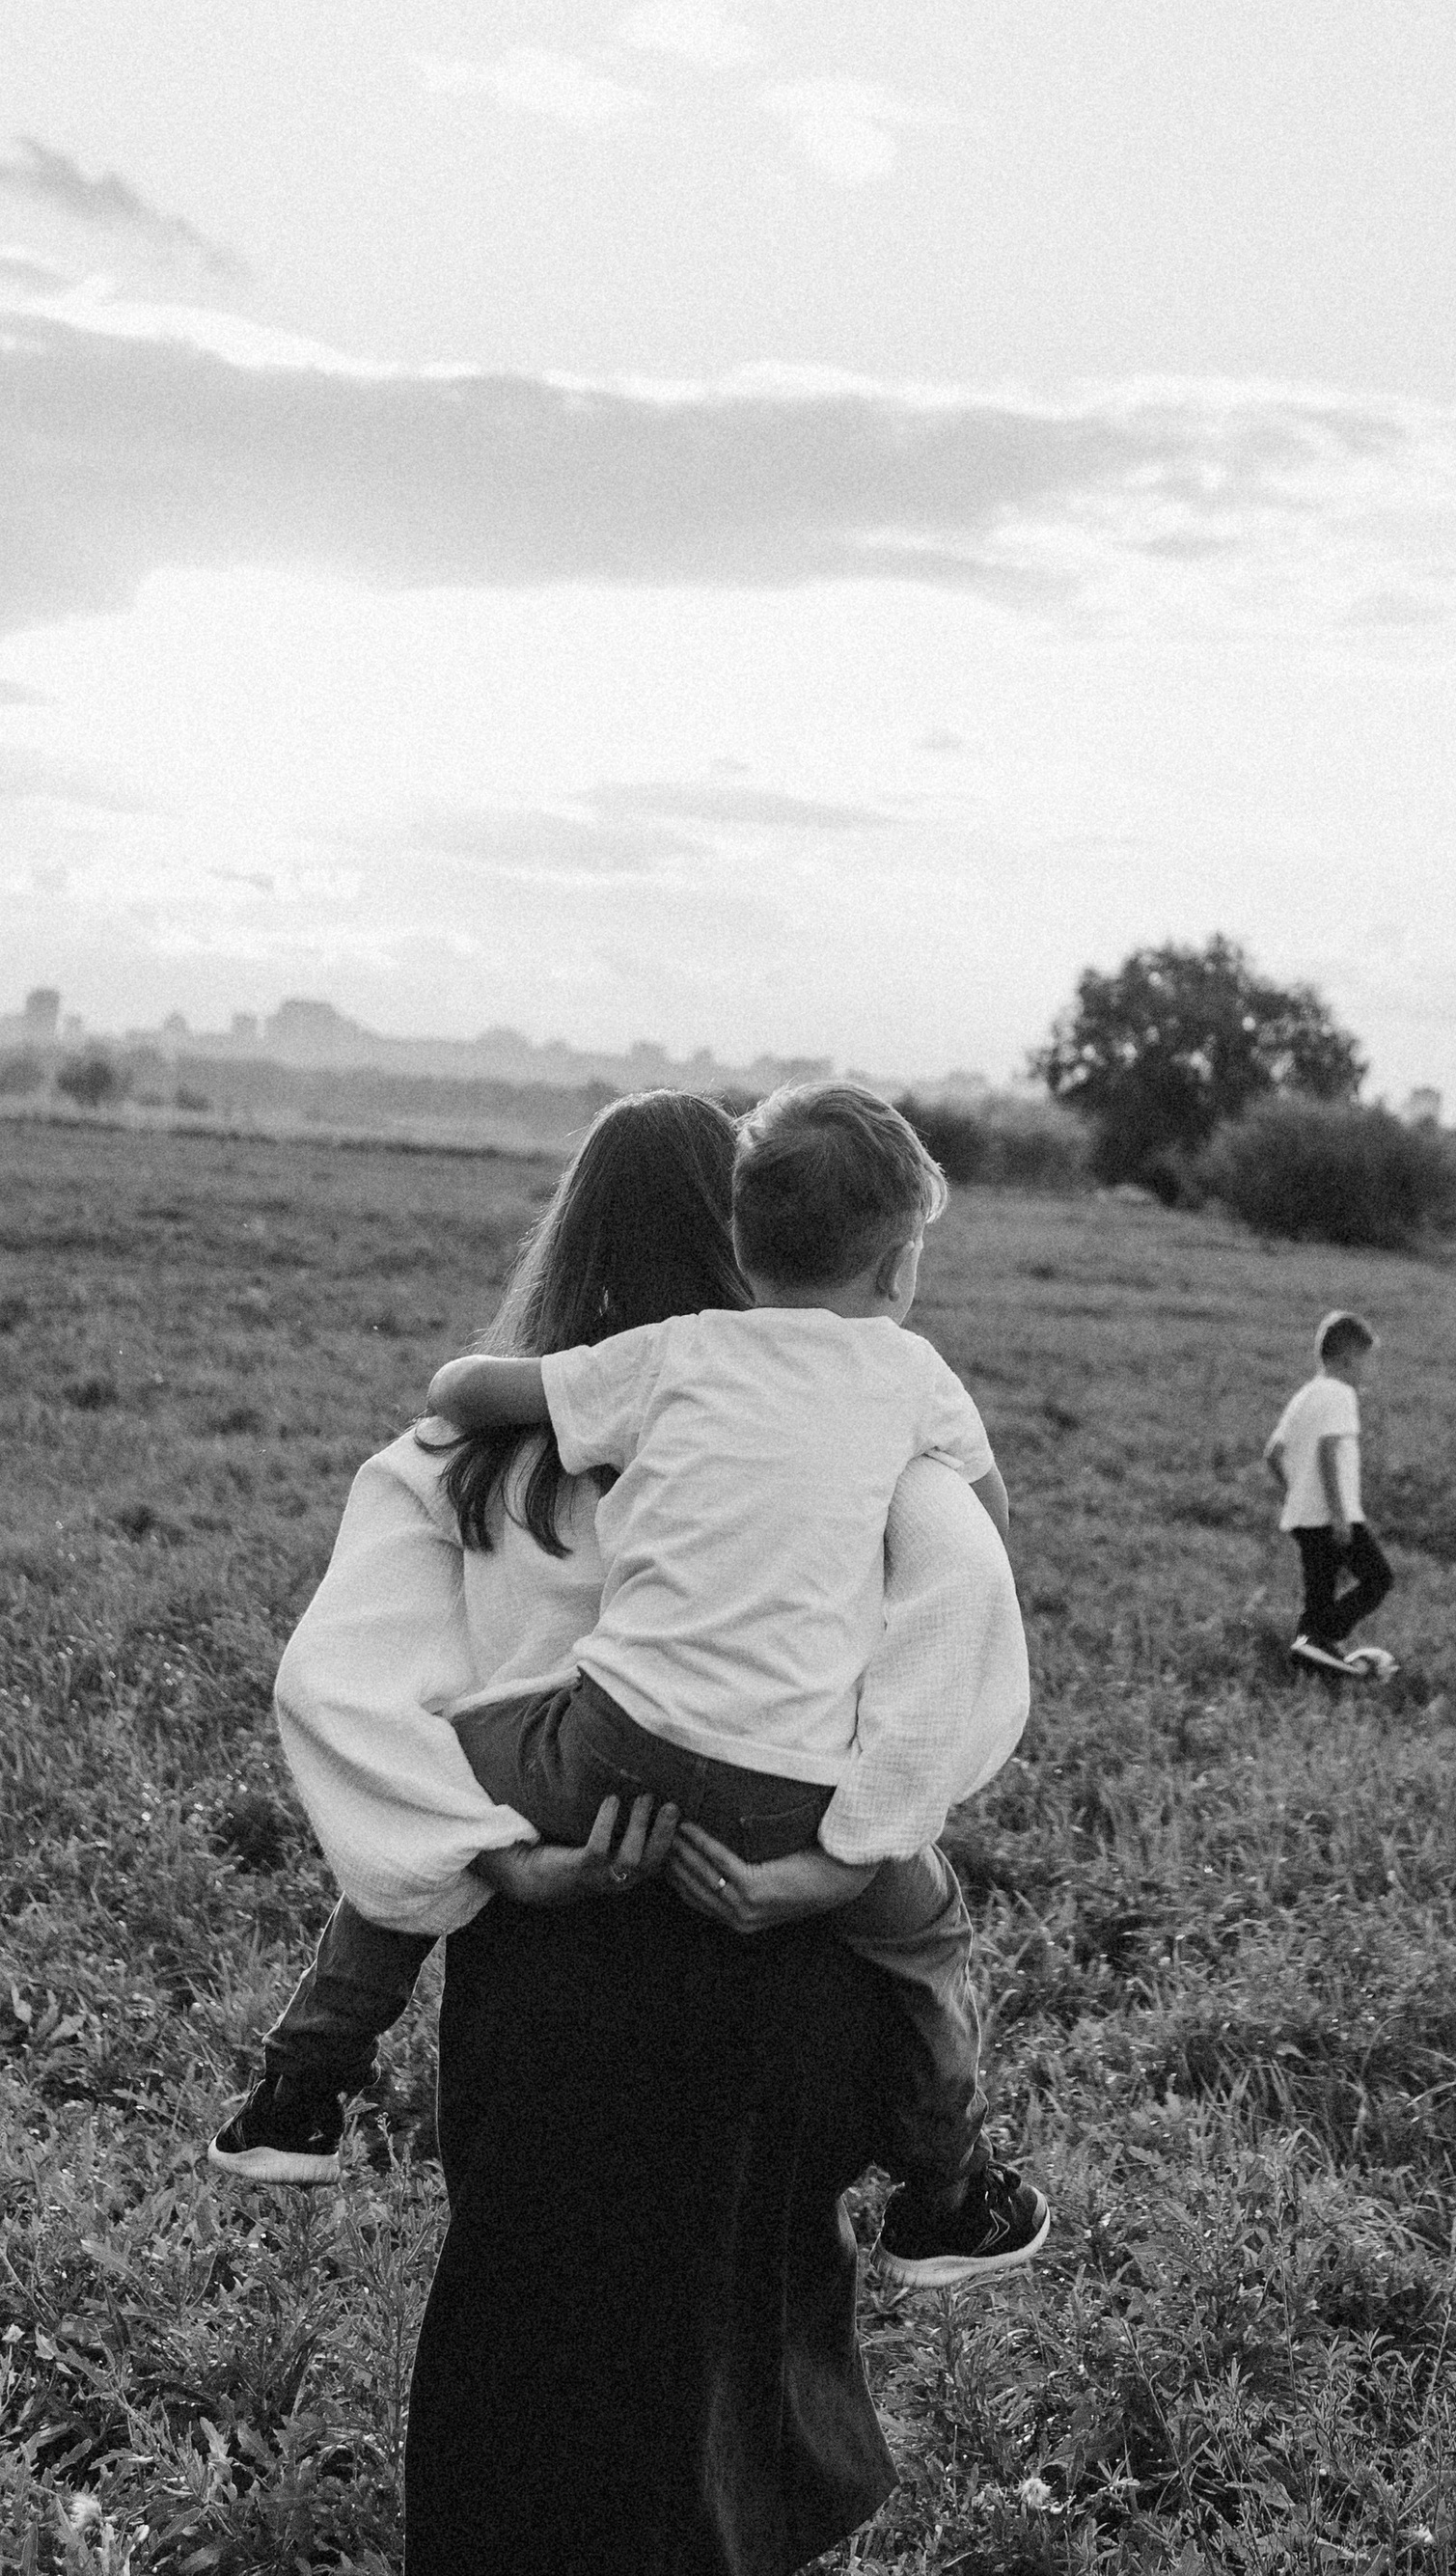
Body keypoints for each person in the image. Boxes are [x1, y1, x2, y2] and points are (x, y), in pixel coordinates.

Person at [225, 1090, 1037, 2572]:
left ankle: (302, 2092)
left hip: (556, 1970)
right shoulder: (868, 1451)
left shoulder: (463, 1463)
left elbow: (341, 1687)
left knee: (531, 2314)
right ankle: (941, 2194)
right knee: (750, 2319)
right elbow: (968, 1620)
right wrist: (851, 1856)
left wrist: (494, 1852)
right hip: (779, 1947)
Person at [1266, 1306, 1396, 1681]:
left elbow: (1272, 1455)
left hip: (1303, 1517)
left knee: (1319, 1594)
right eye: (1364, 1362)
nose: (1366, 1372)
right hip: (1331, 1516)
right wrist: (1339, 1515)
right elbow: (1327, 1453)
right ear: (1348, 1358)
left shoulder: (1305, 1394)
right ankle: (1321, 1640)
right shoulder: (1339, 1394)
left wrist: (1298, 1493)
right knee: (1378, 1578)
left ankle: (1308, 1660)